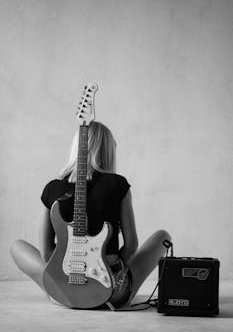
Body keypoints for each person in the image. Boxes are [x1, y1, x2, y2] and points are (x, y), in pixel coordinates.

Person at [10, 121, 171, 308]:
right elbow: (131, 246)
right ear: (107, 152)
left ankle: (57, 288)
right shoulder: (118, 184)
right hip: (110, 292)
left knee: (16, 247)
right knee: (163, 237)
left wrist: (64, 271)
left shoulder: (52, 188)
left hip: (64, 291)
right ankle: (106, 287)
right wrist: (111, 274)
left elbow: (46, 253)